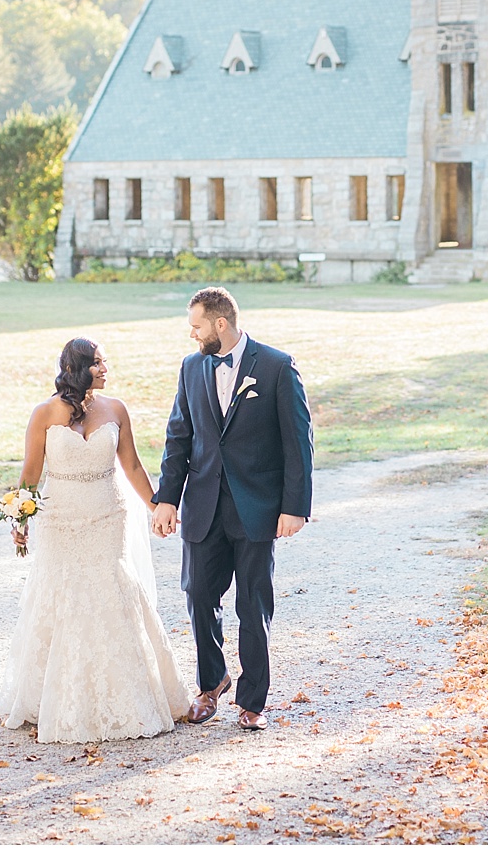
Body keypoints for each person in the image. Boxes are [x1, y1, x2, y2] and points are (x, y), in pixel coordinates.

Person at [0, 338, 189, 742]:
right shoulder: (44, 414)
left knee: (111, 592)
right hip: (60, 519)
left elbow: (132, 465)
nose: (105, 369)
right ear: (77, 369)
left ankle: (125, 694)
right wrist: (20, 518)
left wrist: (158, 507)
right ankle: (54, 696)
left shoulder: (116, 409)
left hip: (106, 516)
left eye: (105, 362)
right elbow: (30, 474)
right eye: (98, 363)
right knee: (60, 595)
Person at [151, 287, 314, 730]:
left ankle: (253, 702)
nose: (192, 334)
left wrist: (294, 506)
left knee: (252, 604)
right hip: (203, 504)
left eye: (196, 326)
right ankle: (212, 681)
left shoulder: (277, 366)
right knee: (198, 595)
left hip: (257, 507)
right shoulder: (191, 367)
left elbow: (298, 443)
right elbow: (178, 438)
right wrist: (167, 498)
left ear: (220, 324)